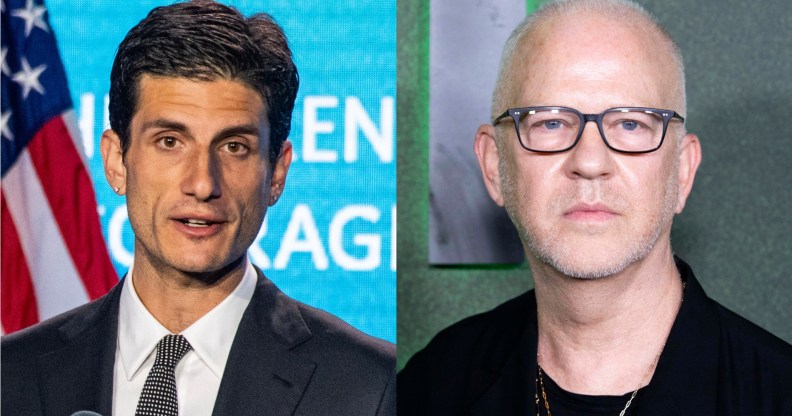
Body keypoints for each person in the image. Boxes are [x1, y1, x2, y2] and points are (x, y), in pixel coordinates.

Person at [398, 0, 792, 414]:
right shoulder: (431, 386)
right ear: (495, 166)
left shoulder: (776, 396)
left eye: (631, 124)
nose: (589, 162)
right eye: (549, 122)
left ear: (682, 171)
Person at [1, 1, 395, 415]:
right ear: (117, 160)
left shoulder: (371, 388)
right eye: (170, 141)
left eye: (234, 147)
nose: (203, 184)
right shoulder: (11, 377)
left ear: (276, 173)